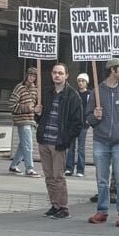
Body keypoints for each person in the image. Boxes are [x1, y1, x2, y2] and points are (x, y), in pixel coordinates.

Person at [87, 58, 119, 226]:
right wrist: (95, 116)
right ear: (113, 70)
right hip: (100, 140)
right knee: (102, 179)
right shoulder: (96, 91)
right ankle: (102, 211)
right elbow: (88, 118)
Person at [35, 63, 84, 219]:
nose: (57, 75)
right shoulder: (45, 92)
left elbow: (77, 122)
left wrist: (66, 139)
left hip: (58, 142)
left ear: (66, 75)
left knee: (58, 176)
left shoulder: (72, 95)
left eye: (60, 73)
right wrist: (37, 113)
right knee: (49, 176)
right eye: (55, 72)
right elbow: (40, 117)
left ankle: (63, 207)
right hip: (44, 139)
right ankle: (54, 204)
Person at [8, 67, 40, 177]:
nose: (32, 77)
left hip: (31, 120)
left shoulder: (36, 90)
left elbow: (35, 106)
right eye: (30, 75)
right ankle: (29, 168)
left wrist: (37, 110)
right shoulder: (19, 87)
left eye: (34, 76)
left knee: (23, 144)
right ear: (26, 75)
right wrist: (27, 108)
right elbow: (12, 105)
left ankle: (13, 166)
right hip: (22, 120)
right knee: (28, 144)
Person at [65, 73, 92, 176]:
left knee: (81, 148)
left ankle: (80, 170)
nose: (81, 83)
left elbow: (90, 108)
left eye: (83, 81)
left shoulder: (89, 94)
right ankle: (69, 168)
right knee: (71, 147)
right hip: (73, 124)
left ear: (86, 83)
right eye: (79, 81)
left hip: (83, 125)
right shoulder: (74, 93)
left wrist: (88, 120)